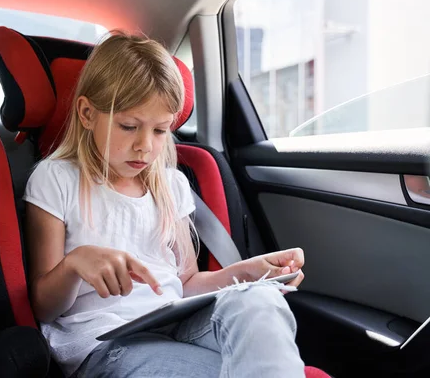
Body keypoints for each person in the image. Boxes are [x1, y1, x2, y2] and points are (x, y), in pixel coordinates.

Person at [23, 31, 306, 378]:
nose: (145, 145)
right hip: (106, 343)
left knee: (261, 302)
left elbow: (186, 282)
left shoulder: (170, 185)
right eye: (129, 126)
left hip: (177, 322)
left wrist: (246, 273)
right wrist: (73, 265)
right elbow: (44, 307)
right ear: (86, 113)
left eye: (160, 131)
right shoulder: (56, 179)